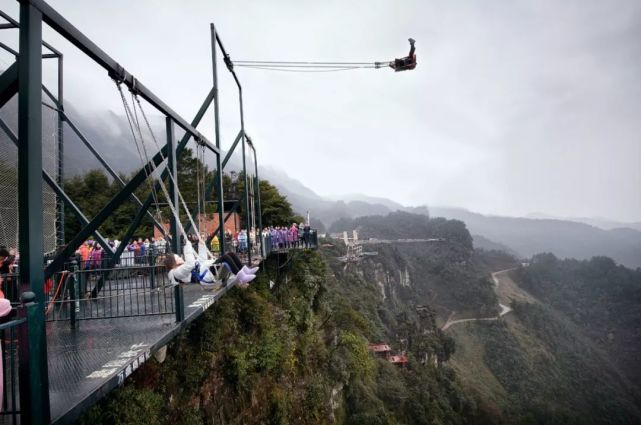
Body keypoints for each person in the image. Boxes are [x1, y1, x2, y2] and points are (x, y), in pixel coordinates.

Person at [164, 239, 258, 288]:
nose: (181, 258)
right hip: (207, 275)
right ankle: (241, 277)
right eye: (178, 258)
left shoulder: (181, 268)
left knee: (231, 254)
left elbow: (202, 261)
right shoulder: (177, 272)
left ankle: (245, 271)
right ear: (174, 263)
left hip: (207, 270)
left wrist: (202, 246)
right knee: (226, 257)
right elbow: (191, 264)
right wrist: (187, 247)